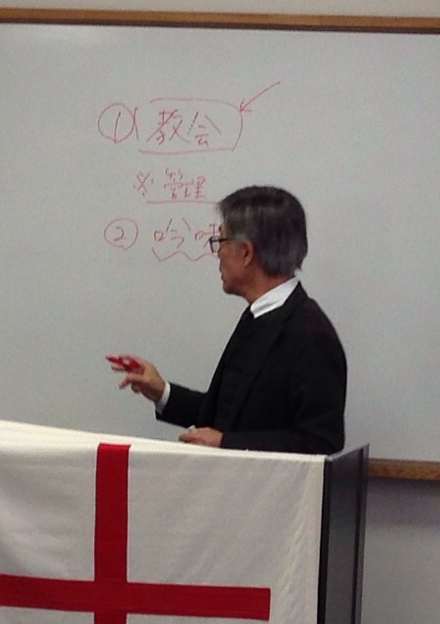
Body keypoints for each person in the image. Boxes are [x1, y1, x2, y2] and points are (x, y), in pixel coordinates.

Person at [110, 185, 346, 454]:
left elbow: (321, 441)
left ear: (245, 253)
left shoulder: (310, 335)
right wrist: (161, 392)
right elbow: (228, 414)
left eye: (220, 241)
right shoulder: (256, 316)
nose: (217, 253)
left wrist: (226, 443)